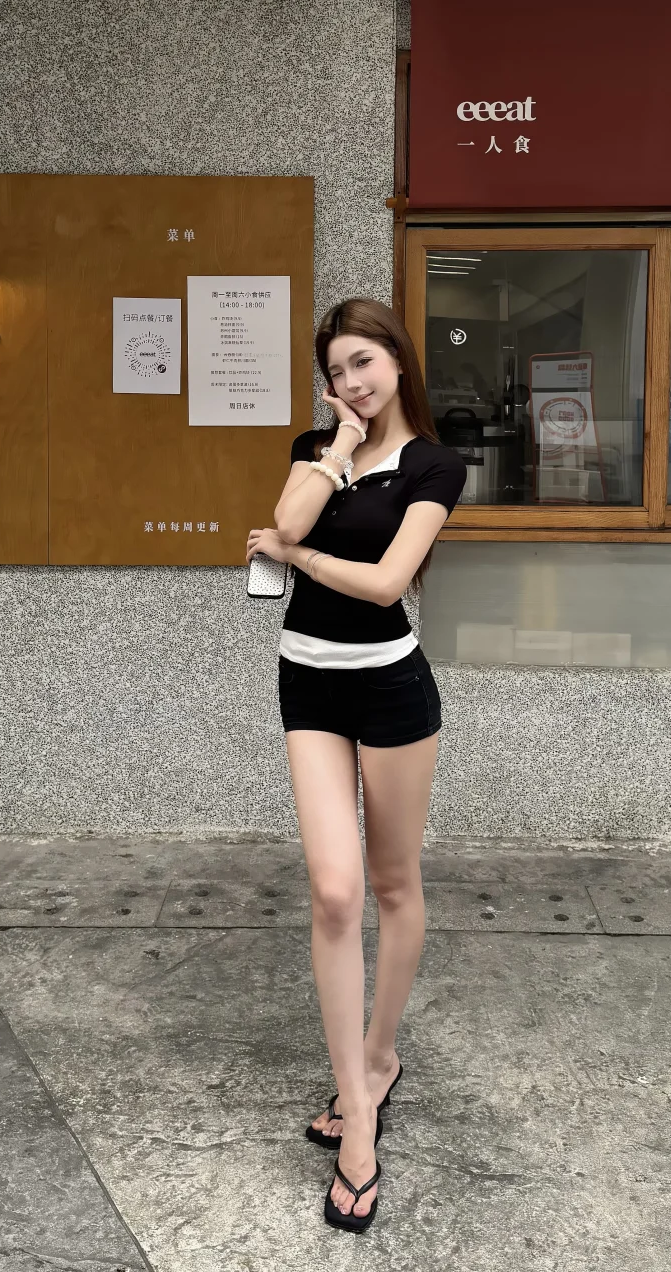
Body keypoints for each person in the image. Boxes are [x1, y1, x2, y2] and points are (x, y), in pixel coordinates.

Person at [244, 297, 467, 1233]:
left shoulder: (436, 465)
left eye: (364, 362)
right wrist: (336, 446)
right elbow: (284, 515)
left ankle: (377, 1059)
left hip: (389, 689)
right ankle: (359, 1112)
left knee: (392, 884)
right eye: (336, 370)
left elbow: (384, 585)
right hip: (307, 684)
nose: (353, 381)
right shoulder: (317, 444)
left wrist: (296, 556)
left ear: (398, 361)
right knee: (333, 893)